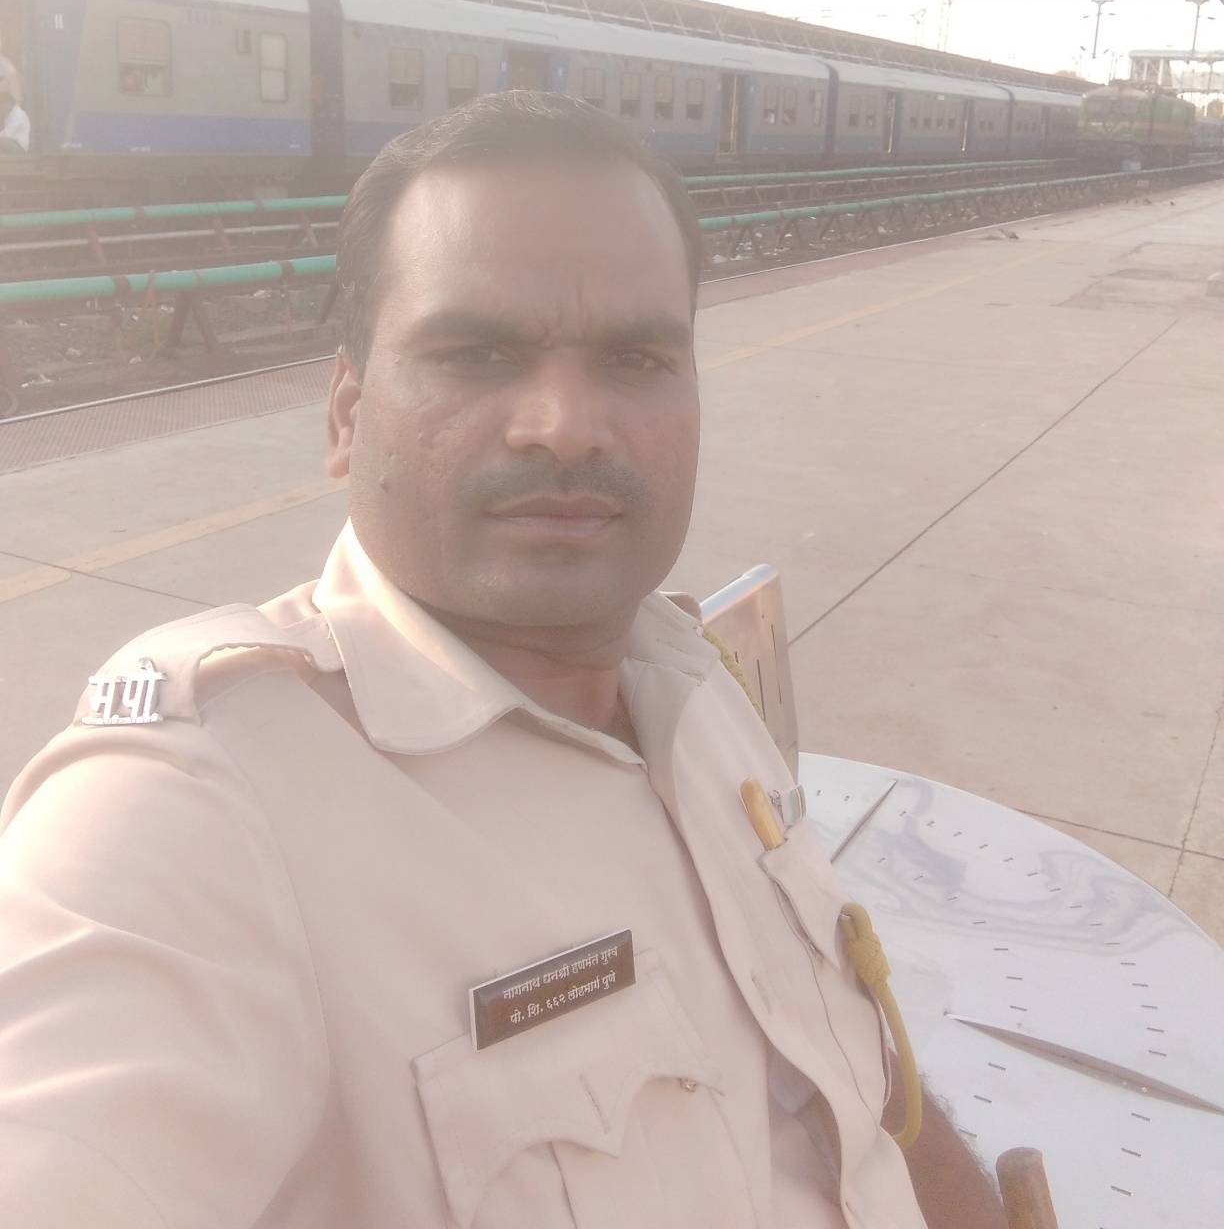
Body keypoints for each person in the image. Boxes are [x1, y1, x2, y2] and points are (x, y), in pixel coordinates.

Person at [0, 92, 1005, 1228]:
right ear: (346, 416)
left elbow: (854, 1085)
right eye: (477, 354)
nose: (566, 425)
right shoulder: (191, 808)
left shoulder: (695, 683)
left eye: (636, 358)